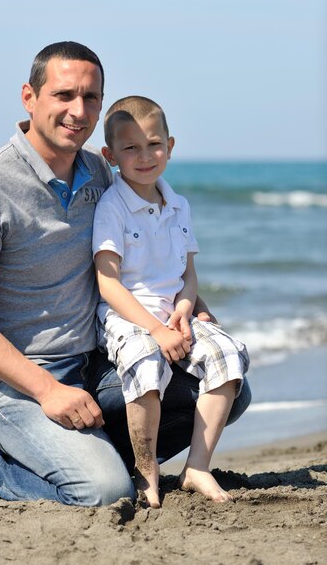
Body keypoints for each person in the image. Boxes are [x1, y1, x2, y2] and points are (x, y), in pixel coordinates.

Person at [0, 42, 251, 507]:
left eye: (90, 98)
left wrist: (195, 310)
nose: (77, 111)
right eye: (64, 95)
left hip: (94, 362)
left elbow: (150, 253)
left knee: (228, 389)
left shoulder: (101, 173)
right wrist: (48, 391)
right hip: (15, 381)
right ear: (29, 97)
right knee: (103, 490)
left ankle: (86, 454)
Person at [92, 96, 250, 507]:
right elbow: (108, 284)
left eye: (154, 144)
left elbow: (188, 272)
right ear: (111, 156)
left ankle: (197, 466)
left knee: (227, 354)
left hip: (174, 314)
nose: (145, 157)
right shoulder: (113, 207)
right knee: (146, 362)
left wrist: (184, 307)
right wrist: (157, 329)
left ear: (171, 145)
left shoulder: (179, 205)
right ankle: (147, 476)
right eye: (131, 148)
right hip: (127, 317)